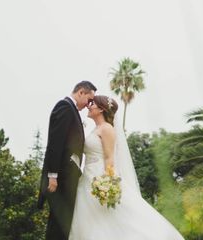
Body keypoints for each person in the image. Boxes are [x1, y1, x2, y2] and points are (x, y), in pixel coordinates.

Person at [69, 95, 184, 239]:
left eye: (92, 104)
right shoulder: (96, 128)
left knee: (115, 218)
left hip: (99, 176)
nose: (89, 105)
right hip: (87, 175)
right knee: (90, 219)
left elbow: (109, 157)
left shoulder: (107, 129)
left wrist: (107, 182)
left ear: (101, 109)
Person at [38, 81, 97, 240]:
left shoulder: (72, 110)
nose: (88, 105)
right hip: (60, 178)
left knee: (63, 223)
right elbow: (55, 143)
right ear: (81, 93)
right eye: (89, 100)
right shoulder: (64, 107)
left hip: (67, 178)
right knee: (58, 223)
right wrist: (52, 176)